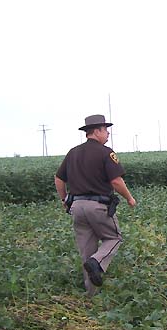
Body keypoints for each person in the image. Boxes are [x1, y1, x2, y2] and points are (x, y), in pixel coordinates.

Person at [54, 114, 137, 297]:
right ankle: (97, 262)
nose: (107, 134)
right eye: (106, 130)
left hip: (76, 207)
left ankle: (91, 294)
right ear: (97, 131)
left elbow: (59, 179)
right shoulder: (105, 152)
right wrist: (130, 199)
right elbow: (116, 181)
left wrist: (64, 199)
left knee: (86, 250)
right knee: (114, 238)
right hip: (98, 207)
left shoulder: (72, 152)